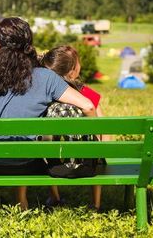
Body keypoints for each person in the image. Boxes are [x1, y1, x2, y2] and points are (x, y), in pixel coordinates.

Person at [0, 17, 96, 210]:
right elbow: (88, 106)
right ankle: (27, 200)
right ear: (29, 44)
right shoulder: (46, 77)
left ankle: (20, 201)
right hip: (29, 162)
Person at [41, 45, 110, 210]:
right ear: (72, 71)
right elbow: (103, 127)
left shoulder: (46, 93)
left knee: (46, 149)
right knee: (95, 149)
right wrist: (101, 149)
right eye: (78, 63)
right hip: (88, 165)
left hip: (54, 166)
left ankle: (55, 198)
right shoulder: (86, 93)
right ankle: (96, 204)